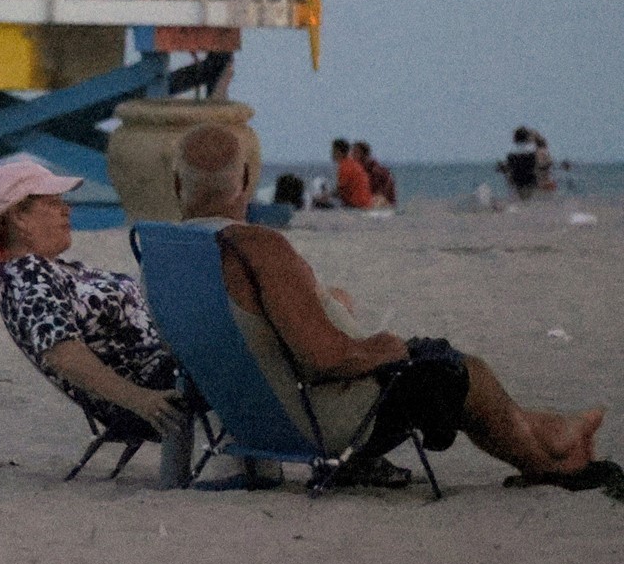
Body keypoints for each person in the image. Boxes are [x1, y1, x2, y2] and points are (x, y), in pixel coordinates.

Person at [173, 124, 615, 490]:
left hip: (249, 418)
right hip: (318, 422)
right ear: (247, 178)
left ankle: (555, 432)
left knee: (435, 364)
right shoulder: (255, 246)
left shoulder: (166, 252)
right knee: (460, 372)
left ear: (177, 184)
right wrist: (383, 348)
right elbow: (323, 358)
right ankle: (546, 467)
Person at [0, 156, 187, 441]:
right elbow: (62, 353)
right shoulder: (29, 275)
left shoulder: (47, 269)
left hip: (170, 365)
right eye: (54, 203)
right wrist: (140, 400)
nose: (66, 210)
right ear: (19, 217)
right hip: (157, 382)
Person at [330, 137, 372, 209]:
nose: (331, 154)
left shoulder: (345, 166)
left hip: (358, 204)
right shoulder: (352, 163)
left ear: (338, 152)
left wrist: (325, 196)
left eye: (333, 151)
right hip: (365, 202)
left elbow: (340, 190)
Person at [352, 141, 397, 209]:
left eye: (355, 153)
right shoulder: (360, 171)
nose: (352, 156)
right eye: (352, 153)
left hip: (383, 205)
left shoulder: (376, 171)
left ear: (364, 155)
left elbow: (381, 194)